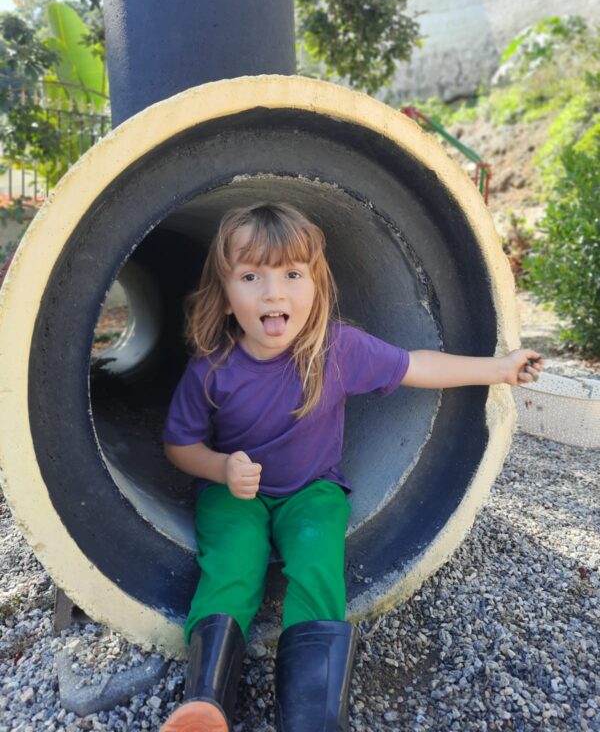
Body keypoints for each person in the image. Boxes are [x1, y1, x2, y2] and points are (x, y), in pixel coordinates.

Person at [159, 202, 544, 732]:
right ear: (225, 296)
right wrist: (222, 468)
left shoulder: (335, 349)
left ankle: (313, 715)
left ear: (316, 285)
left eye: (292, 274)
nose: (274, 293)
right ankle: (205, 702)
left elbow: (417, 365)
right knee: (232, 564)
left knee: (317, 563)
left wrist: (497, 369)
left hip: (312, 491)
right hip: (234, 493)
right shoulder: (212, 370)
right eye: (251, 276)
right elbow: (180, 445)